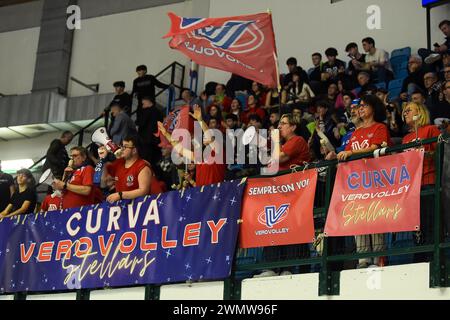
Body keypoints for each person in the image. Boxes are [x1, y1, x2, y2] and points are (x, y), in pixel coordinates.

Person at [327, 94, 391, 268]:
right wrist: (336, 154)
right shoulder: (356, 133)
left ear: (374, 108)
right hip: (356, 183)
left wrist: (350, 153)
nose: (360, 108)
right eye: (359, 106)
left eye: (364, 105)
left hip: (375, 180)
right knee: (358, 218)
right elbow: (347, 153)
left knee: (375, 216)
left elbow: (375, 148)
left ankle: (378, 258)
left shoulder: (380, 127)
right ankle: (363, 259)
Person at [401, 102, 441, 262]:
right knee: (415, 225)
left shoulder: (430, 130)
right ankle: (419, 257)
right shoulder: (406, 138)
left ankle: (433, 258)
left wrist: (424, 153)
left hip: (428, 181)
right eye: (404, 111)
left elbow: (440, 153)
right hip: (411, 187)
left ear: (420, 112)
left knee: (429, 222)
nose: (405, 113)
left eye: (409, 110)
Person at [158, 105, 226, 187]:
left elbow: (209, 137)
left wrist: (200, 120)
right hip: (202, 196)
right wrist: (166, 134)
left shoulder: (219, 153)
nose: (205, 135)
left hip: (215, 194)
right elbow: (180, 150)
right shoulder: (200, 158)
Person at [104, 135, 152, 203]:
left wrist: (120, 195)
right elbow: (104, 180)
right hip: (122, 208)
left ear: (134, 150)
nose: (121, 149)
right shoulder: (119, 163)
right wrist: (103, 159)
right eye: (121, 146)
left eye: (125, 146)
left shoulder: (142, 166)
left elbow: (143, 191)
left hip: (139, 208)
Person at [135, 96, 163, 170]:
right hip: (155, 141)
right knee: (153, 162)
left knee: (145, 161)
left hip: (145, 141)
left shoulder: (146, 112)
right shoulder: (158, 111)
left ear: (148, 101)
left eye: (143, 102)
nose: (142, 104)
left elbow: (140, 123)